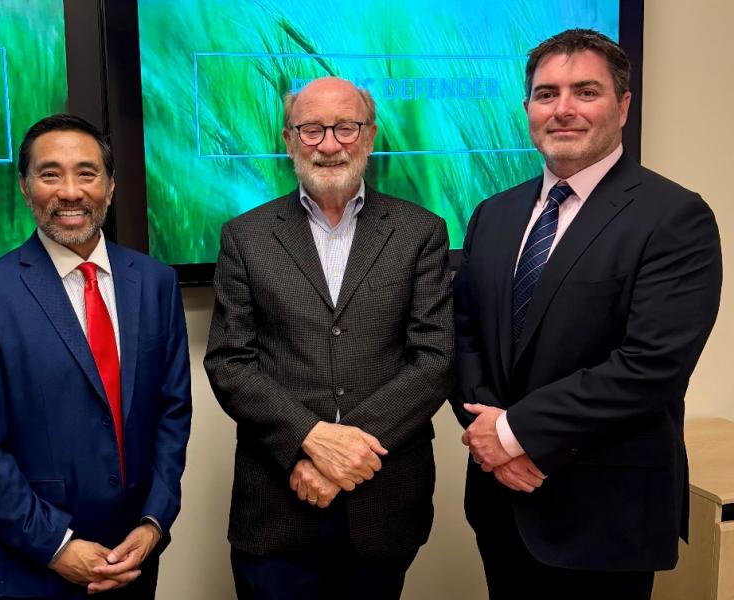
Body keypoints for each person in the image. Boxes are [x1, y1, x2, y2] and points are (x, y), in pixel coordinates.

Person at [451, 29, 722, 600]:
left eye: (585, 91)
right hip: (503, 504)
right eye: (546, 94)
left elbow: (651, 368)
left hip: (605, 516)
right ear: (527, 109)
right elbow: (466, 334)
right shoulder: (492, 215)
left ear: (623, 105)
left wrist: (514, 432)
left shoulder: (675, 217)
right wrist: (490, 441)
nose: (563, 109)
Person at [204, 76, 452, 599]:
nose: (330, 144)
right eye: (312, 129)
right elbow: (230, 362)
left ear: (370, 135)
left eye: (345, 127)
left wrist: (339, 459)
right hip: (276, 499)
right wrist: (308, 440)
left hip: (383, 501)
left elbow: (434, 360)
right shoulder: (245, 236)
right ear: (289, 139)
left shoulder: (421, 231)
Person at [0, 114, 192, 599]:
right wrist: (57, 546)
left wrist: (154, 522)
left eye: (88, 173)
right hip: (31, 570)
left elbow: (172, 412)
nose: (71, 191)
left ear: (112, 186)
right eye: (50, 174)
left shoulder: (156, 282)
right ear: (25, 186)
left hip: (133, 563)